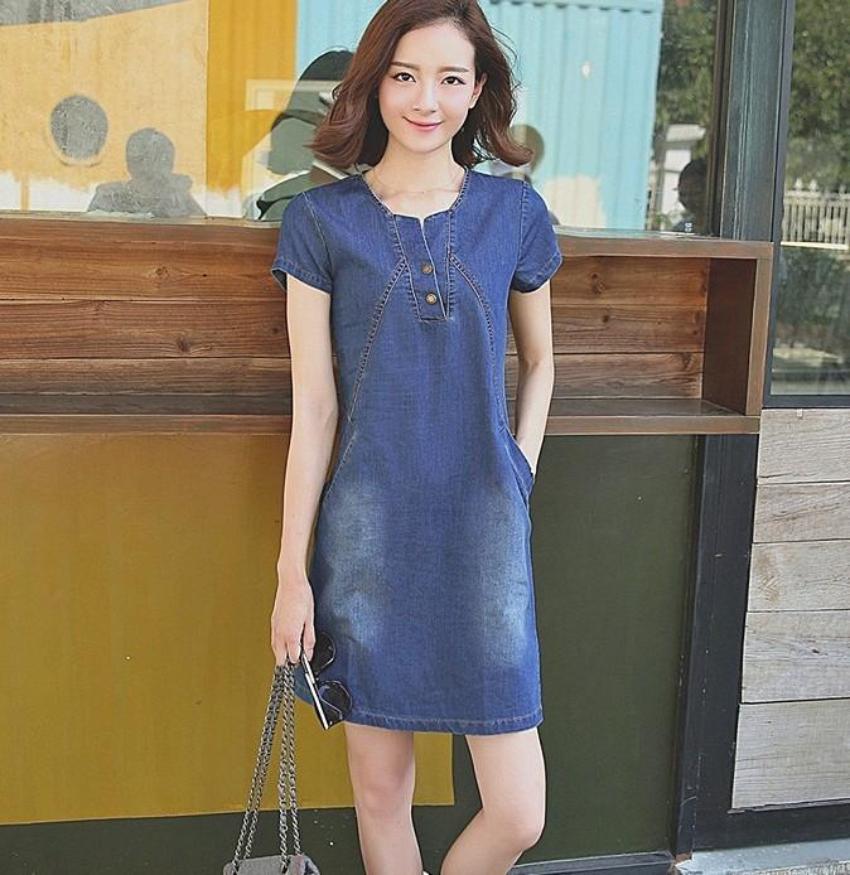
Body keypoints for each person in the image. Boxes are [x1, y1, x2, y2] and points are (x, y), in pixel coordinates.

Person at [269, 2, 562, 873]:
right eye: (404, 75)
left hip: (485, 534)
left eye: (448, 78)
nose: (425, 99)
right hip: (367, 539)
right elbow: (315, 410)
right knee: (379, 793)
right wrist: (291, 574)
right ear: (375, 84)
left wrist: (517, 469)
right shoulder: (320, 222)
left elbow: (542, 361)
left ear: (476, 91)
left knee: (519, 811)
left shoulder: (514, 214)